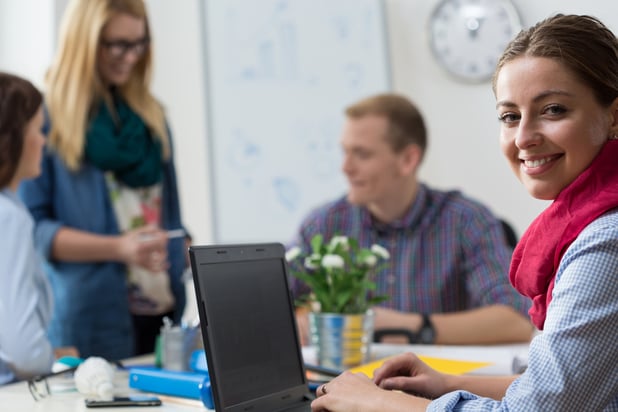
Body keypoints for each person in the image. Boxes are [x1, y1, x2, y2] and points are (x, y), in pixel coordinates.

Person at [311, 14, 618, 411]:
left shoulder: (604, 240)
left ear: (613, 115)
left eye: (553, 109)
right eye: (510, 116)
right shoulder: (584, 223)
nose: (523, 137)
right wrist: (446, 384)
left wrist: (373, 403)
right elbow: (557, 389)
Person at [289, 93, 533, 346]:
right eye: (345, 152)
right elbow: (271, 305)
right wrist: (299, 317)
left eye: (361, 154)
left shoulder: (466, 221)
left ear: (408, 160)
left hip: (438, 381)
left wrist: (411, 327)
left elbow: (516, 319)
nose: (345, 167)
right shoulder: (323, 225)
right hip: (343, 379)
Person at [19, 0, 188, 360]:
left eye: (139, 43)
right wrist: (119, 248)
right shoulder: (45, 122)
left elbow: (169, 216)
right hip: (90, 318)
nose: (130, 56)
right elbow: (35, 231)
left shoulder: (152, 118)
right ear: (84, 42)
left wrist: (182, 243)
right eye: (117, 44)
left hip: (162, 310)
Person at [0, 72, 78, 384]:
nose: (44, 140)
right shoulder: (10, 218)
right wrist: (54, 356)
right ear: (13, 137)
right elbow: (24, 352)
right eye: (38, 129)